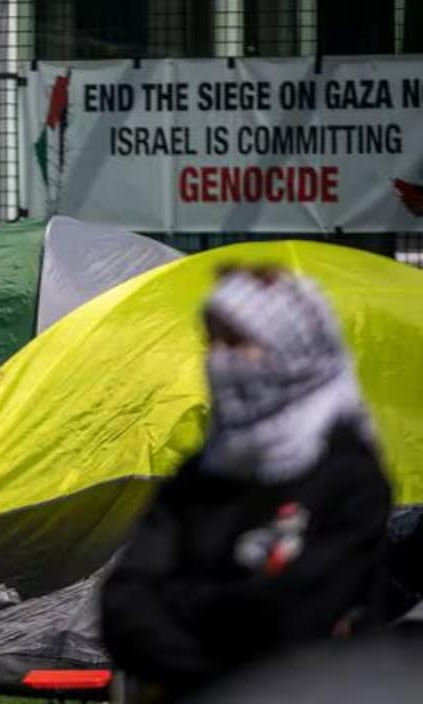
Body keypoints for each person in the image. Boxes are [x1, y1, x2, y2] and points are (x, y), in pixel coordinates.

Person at [100, 265, 392, 696]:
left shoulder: (348, 474)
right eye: (211, 342)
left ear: (289, 348)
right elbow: (124, 604)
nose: (219, 359)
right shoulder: (203, 472)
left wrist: (185, 601)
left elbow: (299, 612)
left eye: (237, 343)